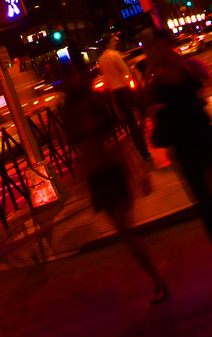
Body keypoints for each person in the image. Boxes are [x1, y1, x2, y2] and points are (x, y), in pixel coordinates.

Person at [141, 26, 212, 284]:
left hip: (202, 136)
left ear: (170, 45)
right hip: (183, 147)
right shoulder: (154, 78)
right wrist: (153, 77)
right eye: (156, 47)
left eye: (164, 45)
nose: (161, 50)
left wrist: (181, 66)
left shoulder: (187, 66)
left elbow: (204, 78)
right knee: (207, 207)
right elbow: (148, 110)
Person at [62, 68, 169, 304]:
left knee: (127, 232)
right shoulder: (88, 108)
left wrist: (138, 172)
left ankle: (158, 280)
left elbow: (111, 144)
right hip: (102, 173)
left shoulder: (86, 111)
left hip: (106, 173)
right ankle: (157, 278)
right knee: (126, 231)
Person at [96, 35, 150, 161]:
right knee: (142, 110)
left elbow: (106, 77)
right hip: (125, 89)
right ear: (108, 43)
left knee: (130, 120)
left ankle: (141, 148)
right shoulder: (115, 55)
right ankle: (142, 140)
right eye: (113, 41)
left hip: (116, 93)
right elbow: (125, 70)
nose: (115, 43)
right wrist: (135, 81)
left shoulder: (101, 60)